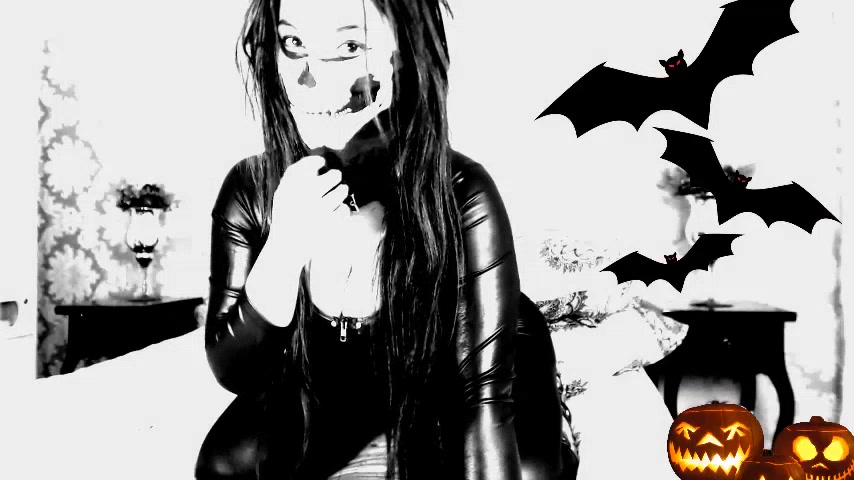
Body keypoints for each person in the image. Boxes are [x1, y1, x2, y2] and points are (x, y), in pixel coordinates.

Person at [195, 0, 578, 478]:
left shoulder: (463, 194)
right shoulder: (251, 190)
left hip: (459, 365)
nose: (310, 78)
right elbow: (234, 373)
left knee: (530, 470)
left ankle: (556, 413)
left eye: (349, 47)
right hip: (344, 376)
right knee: (224, 464)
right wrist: (285, 248)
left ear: (406, 58)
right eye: (294, 42)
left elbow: (481, 404)